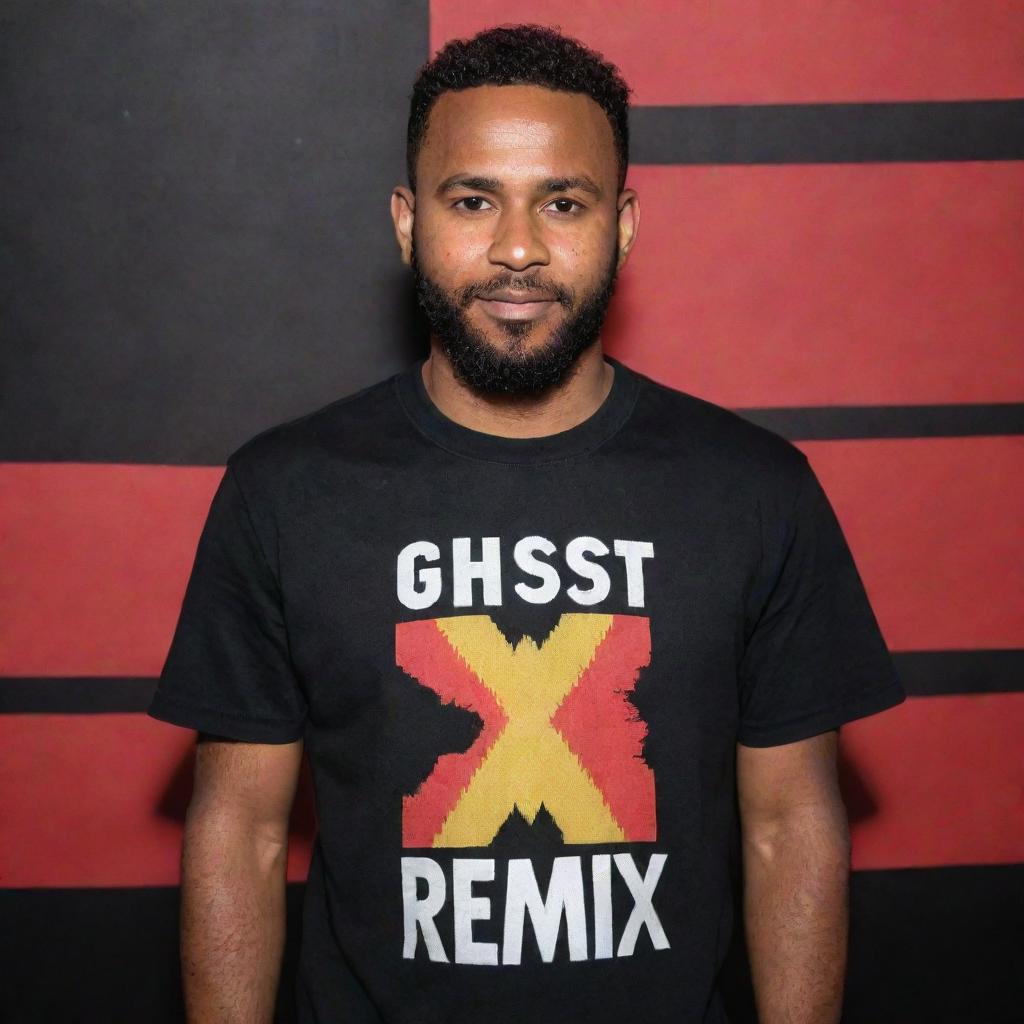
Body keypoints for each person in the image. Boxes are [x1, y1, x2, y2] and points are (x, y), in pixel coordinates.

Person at [148, 23, 906, 1024]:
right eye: (472, 201)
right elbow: (239, 832)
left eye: (562, 201)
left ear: (623, 225)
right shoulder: (286, 491)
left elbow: (789, 825)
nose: (516, 249)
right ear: (407, 223)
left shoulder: (751, 489)